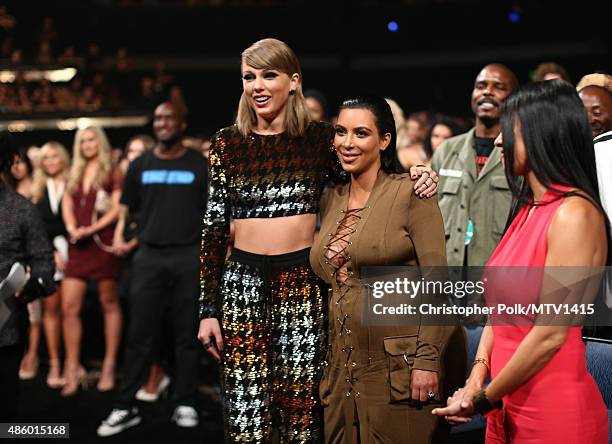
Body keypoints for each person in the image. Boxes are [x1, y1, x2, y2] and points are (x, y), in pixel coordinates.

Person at [197, 38, 438, 443]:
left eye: (269, 75)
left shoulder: (321, 140)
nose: (257, 85)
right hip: (241, 286)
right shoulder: (227, 143)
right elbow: (214, 227)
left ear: (293, 82)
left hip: (301, 285)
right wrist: (207, 307)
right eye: (249, 76)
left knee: (302, 416)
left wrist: (417, 171)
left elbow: (365, 176)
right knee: (245, 420)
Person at [432, 80, 610, 443]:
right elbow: (502, 312)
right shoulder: (527, 209)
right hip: (504, 408)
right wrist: (475, 378)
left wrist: (480, 398)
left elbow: (549, 335)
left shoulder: (574, 215)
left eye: (508, 130)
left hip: (554, 417)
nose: (498, 141)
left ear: (543, 135)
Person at [311, 95, 466, 443]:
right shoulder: (330, 198)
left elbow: (437, 284)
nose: (347, 143)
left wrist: (426, 362)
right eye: (340, 132)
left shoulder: (411, 192)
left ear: (384, 140)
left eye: (361, 133)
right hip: (342, 372)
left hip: (402, 369)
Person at [97, 102, 207, 436]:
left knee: (187, 336)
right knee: (139, 336)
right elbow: (130, 212)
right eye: (157, 118)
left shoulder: (200, 165)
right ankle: (125, 405)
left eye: (168, 117)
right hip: (148, 258)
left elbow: (211, 215)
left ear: (183, 123)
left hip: (188, 257)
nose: (162, 123)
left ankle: (185, 400)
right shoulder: (140, 165)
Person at [432, 63, 519, 267]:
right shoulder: (446, 150)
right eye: (481, 86)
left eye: (498, 87)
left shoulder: (519, 153)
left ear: (514, 99)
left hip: (497, 276)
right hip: (448, 278)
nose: (487, 92)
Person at [61, 126, 122, 396]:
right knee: (69, 307)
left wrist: (91, 230)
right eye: (82, 140)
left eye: (91, 139)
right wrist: (73, 227)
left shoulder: (112, 170)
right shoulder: (73, 172)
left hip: (102, 243)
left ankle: (108, 365)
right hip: (78, 245)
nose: (87, 144)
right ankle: (72, 369)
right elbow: (66, 202)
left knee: (108, 303)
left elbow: (118, 208)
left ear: (100, 141)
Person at [0, 132, 55, 419]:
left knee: (6, 408)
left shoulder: (23, 210)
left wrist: (32, 285)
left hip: (5, 323)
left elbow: (45, 263)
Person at [30, 141, 71, 388]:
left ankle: (71, 363)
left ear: (63, 158)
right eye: (46, 158)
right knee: (51, 310)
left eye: (55, 156)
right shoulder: (37, 189)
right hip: (47, 254)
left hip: (76, 253)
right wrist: (52, 251)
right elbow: (36, 227)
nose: (51, 161)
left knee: (70, 311)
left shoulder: (73, 183)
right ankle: (55, 363)